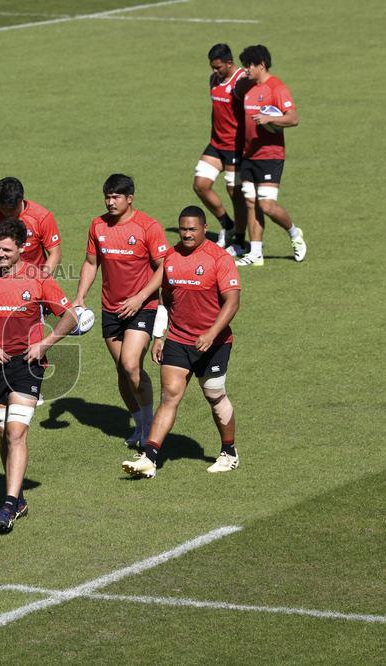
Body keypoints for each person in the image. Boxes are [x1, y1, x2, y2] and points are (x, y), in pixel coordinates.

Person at [0, 219, 78, 532]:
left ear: (22, 249)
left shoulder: (38, 278)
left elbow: (70, 316)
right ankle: (19, 497)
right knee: (3, 435)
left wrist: (45, 343)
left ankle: (9, 504)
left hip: (27, 364)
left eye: (6, 250)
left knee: (15, 432)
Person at [122, 207, 240, 478]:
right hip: (178, 339)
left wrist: (211, 333)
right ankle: (150, 457)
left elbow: (232, 302)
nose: (186, 234)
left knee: (214, 394)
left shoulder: (219, 259)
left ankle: (229, 452)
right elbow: (165, 299)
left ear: (204, 228)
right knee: (170, 395)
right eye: (183, 229)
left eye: (192, 230)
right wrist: (160, 335)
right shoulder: (171, 257)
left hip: (215, 342)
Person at [72, 174, 169, 449]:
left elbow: (164, 267)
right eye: (107, 196)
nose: (110, 202)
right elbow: (91, 263)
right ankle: (139, 424)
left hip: (142, 306)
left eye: (116, 197)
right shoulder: (98, 225)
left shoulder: (147, 227)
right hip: (111, 308)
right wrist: (80, 297)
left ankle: (150, 426)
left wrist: (140, 298)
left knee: (130, 363)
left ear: (130, 198)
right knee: (122, 371)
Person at [232, 44, 307, 267]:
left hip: (270, 156)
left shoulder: (277, 88)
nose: (246, 70)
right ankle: (256, 253)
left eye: (249, 66)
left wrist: (269, 120)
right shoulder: (249, 87)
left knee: (267, 206)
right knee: (250, 202)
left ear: (261, 65)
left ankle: (294, 234)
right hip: (248, 155)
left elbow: (293, 118)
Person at [193, 43, 247, 249]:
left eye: (218, 67)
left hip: (236, 147)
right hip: (216, 144)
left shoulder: (241, 82)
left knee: (235, 193)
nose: (214, 71)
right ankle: (228, 224)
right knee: (200, 185)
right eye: (212, 67)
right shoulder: (214, 80)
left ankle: (241, 240)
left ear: (229, 63)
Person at [0, 177, 62, 278]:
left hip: (34, 278)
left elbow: (55, 253)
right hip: (3, 280)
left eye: (12, 209)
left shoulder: (41, 217)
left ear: (21, 199)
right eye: (3, 209)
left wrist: (41, 280)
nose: (8, 213)